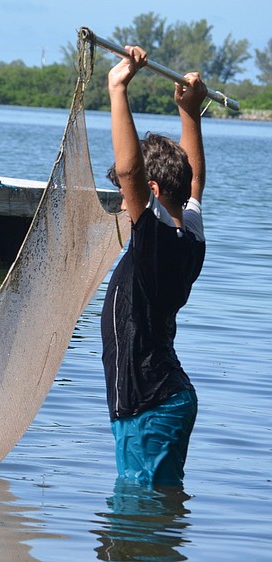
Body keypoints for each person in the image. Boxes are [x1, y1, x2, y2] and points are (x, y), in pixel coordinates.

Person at [101, 45, 208, 486]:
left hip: (150, 406)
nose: (126, 208)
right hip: (162, 401)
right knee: (145, 524)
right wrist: (191, 113)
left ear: (151, 190)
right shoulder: (191, 232)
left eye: (131, 201)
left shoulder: (157, 240)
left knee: (139, 528)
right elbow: (195, 179)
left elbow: (129, 174)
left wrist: (117, 89)